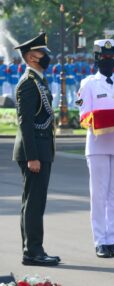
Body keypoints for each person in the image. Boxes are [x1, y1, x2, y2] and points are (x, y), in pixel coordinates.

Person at [77, 39, 114, 258]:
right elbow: (83, 116)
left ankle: (113, 240)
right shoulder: (88, 84)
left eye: (111, 56)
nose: (108, 60)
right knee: (98, 195)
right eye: (104, 56)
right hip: (98, 144)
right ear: (97, 58)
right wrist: (98, 121)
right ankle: (100, 240)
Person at [12, 32, 60, 266]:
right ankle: (33, 251)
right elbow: (26, 123)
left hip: (42, 149)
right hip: (34, 153)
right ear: (31, 57)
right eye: (43, 53)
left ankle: (33, 249)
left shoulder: (39, 80)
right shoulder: (29, 84)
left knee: (35, 202)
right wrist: (32, 157)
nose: (46, 57)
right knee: (33, 203)